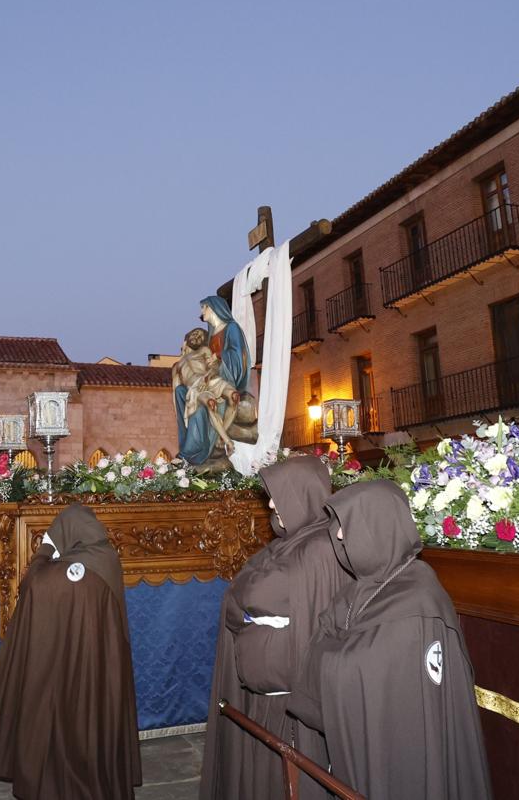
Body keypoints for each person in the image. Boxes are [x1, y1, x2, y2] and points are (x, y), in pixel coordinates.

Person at [288, 481, 492, 800]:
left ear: (379, 526)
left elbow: (363, 664)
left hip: (403, 751)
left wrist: (333, 656)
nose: (338, 535)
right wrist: (335, 655)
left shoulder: (420, 598)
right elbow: (325, 643)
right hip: (363, 738)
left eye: (346, 525)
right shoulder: (360, 587)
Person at [200, 455, 354, 800]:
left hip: (289, 701)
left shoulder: (319, 548)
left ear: (302, 493)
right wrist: (244, 603)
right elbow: (240, 591)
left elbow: (255, 591)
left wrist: (245, 605)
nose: (270, 503)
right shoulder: (289, 543)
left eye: (277, 493)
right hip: (263, 693)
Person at [0, 504, 141, 800]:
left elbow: (31, 583)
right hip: (96, 669)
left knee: (51, 718)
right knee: (90, 719)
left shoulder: (49, 574)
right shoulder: (108, 560)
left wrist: (44, 551)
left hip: (52, 668)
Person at [175, 295, 252, 467]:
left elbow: (239, 355)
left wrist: (219, 357)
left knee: (233, 398)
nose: (202, 312)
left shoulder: (231, 328)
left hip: (227, 376)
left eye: (204, 307)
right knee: (195, 398)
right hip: (209, 379)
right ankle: (201, 448)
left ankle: (220, 437)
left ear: (214, 308)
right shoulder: (210, 336)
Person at [173, 327, 242, 456]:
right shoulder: (177, 366)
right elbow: (176, 391)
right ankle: (228, 441)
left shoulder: (204, 350)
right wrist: (180, 415)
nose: (197, 337)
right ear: (187, 338)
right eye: (194, 334)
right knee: (211, 404)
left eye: (200, 336)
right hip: (195, 388)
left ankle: (221, 436)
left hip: (210, 379)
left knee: (235, 397)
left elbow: (214, 366)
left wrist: (208, 376)